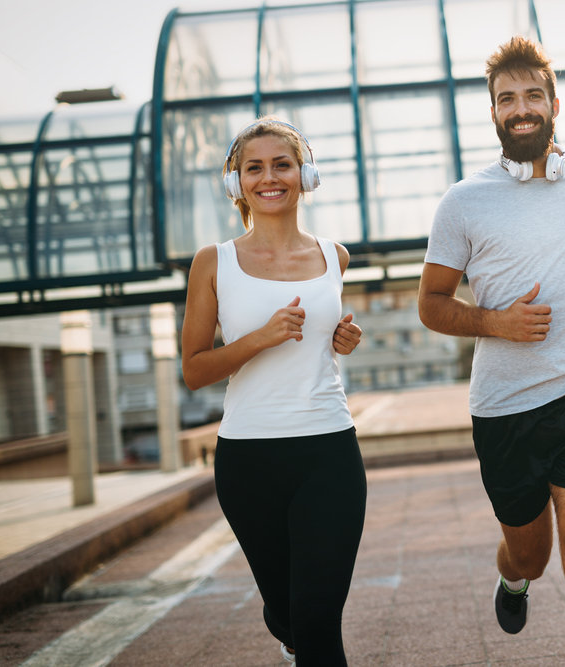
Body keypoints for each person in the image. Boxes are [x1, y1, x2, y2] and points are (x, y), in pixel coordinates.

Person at [418, 36, 565, 667]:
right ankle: (513, 576)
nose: (521, 108)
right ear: (493, 112)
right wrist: (497, 322)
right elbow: (432, 304)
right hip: (506, 406)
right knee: (532, 555)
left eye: (532, 95)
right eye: (506, 98)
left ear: (553, 104)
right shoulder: (463, 202)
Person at [182, 117, 366, 666]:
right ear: (235, 182)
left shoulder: (336, 256)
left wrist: (342, 339)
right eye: (253, 167)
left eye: (282, 164)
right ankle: (283, 626)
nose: (270, 177)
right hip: (249, 458)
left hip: (328, 447)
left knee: (317, 616)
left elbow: (322, 342)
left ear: (304, 174)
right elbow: (193, 370)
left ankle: (300, 634)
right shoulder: (213, 262)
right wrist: (259, 339)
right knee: (288, 611)